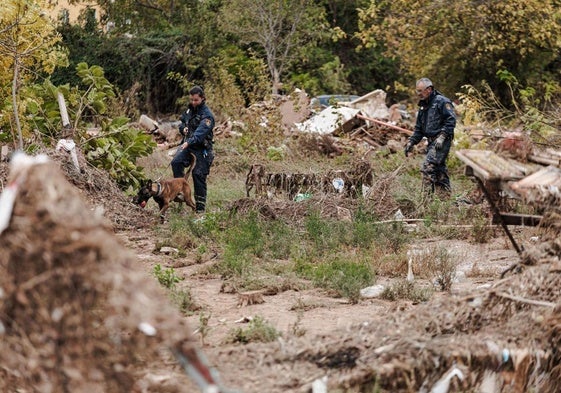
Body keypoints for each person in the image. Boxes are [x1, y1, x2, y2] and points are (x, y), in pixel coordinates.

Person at [404, 77, 456, 197]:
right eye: (417, 91)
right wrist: (411, 142)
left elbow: (451, 120)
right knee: (439, 171)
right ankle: (446, 197)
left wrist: (442, 136)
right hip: (431, 142)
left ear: (429, 89)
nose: (418, 94)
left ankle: (426, 200)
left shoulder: (442, 102)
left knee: (428, 167)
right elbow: (419, 129)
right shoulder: (423, 106)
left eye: (420, 91)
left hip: (442, 141)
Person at [171, 85, 215, 213]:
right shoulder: (190, 110)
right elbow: (182, 122)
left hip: (202, 149)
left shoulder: (207, 116)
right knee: (176, 162)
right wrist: (183, 128)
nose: (193, 102)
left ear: (202, 98)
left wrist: (189, 141)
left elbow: (200, 134)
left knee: (198, 175)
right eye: (191, 100)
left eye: (196, 100)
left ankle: (200, 209)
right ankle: (179, 190)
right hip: (188, 146)